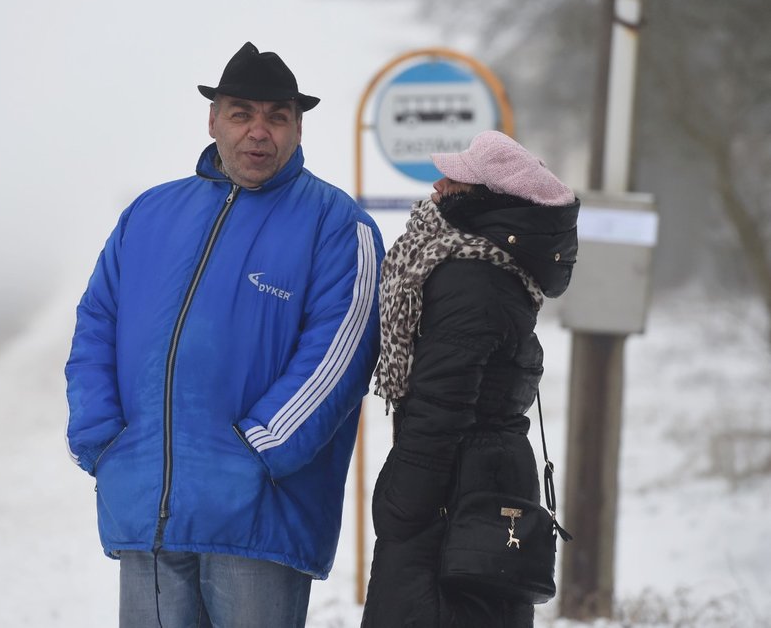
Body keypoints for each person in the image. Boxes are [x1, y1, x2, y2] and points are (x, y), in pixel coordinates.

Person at [64, 41, 384, 628]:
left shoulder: (338, 226)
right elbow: (95, 327)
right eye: (241, 113)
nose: (258, 131)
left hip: (258, 515)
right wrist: (101, 439)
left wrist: (258, 453)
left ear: (297, 128)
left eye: (276, 116)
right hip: (146, 507)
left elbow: (338, 356)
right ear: (213, 120)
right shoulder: (150, 214)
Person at [361, 130, 579, 627]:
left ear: (484, 199)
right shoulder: (496, 269)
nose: (437, 185)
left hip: (452, 492)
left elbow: (442, 404)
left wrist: (404, 502)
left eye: (454, 178)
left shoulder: (469, 277)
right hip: (481, 482)